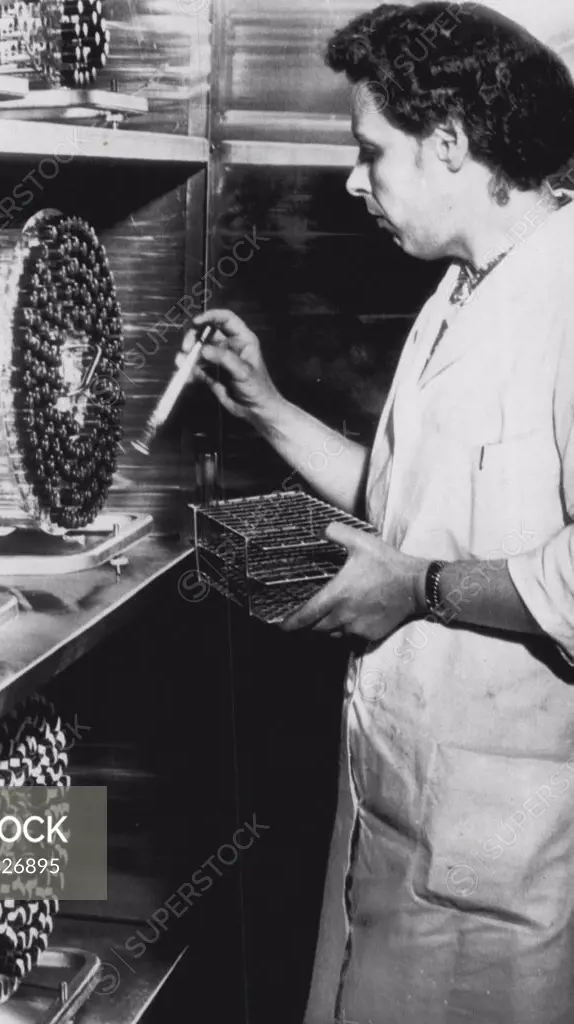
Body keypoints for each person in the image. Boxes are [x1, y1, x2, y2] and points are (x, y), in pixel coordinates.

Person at [179, 3, 574, 1022]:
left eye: (367, 151)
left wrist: (419, 588)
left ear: (447, 144)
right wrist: (265, 405)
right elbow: (404, 502)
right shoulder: (457, 294)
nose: (352, 181)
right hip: (396, 808)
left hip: (501, 860)